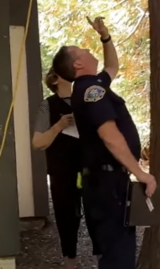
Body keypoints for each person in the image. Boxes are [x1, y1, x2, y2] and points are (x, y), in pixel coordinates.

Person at [51, 17, 157, 269]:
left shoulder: (93, 84)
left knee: (115, 252)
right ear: (78, 64)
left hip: (105, 182)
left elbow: (112, 67)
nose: (89, 51)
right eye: (83, 50)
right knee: (117, 255)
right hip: (107, 184)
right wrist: (141, 173)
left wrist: (105, 37)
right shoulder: (90, 91)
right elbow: (109, 135)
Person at [32, 24, 110, 268]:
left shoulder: (88, 95)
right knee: (67, 217)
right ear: (56, 79)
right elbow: (37, 143)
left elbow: (110, 70)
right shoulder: (47, 105)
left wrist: (106, 38)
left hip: (90, 167)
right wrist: (58, 126)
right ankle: (70, 260)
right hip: (62, 173)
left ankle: (101, 257)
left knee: (97, 213)